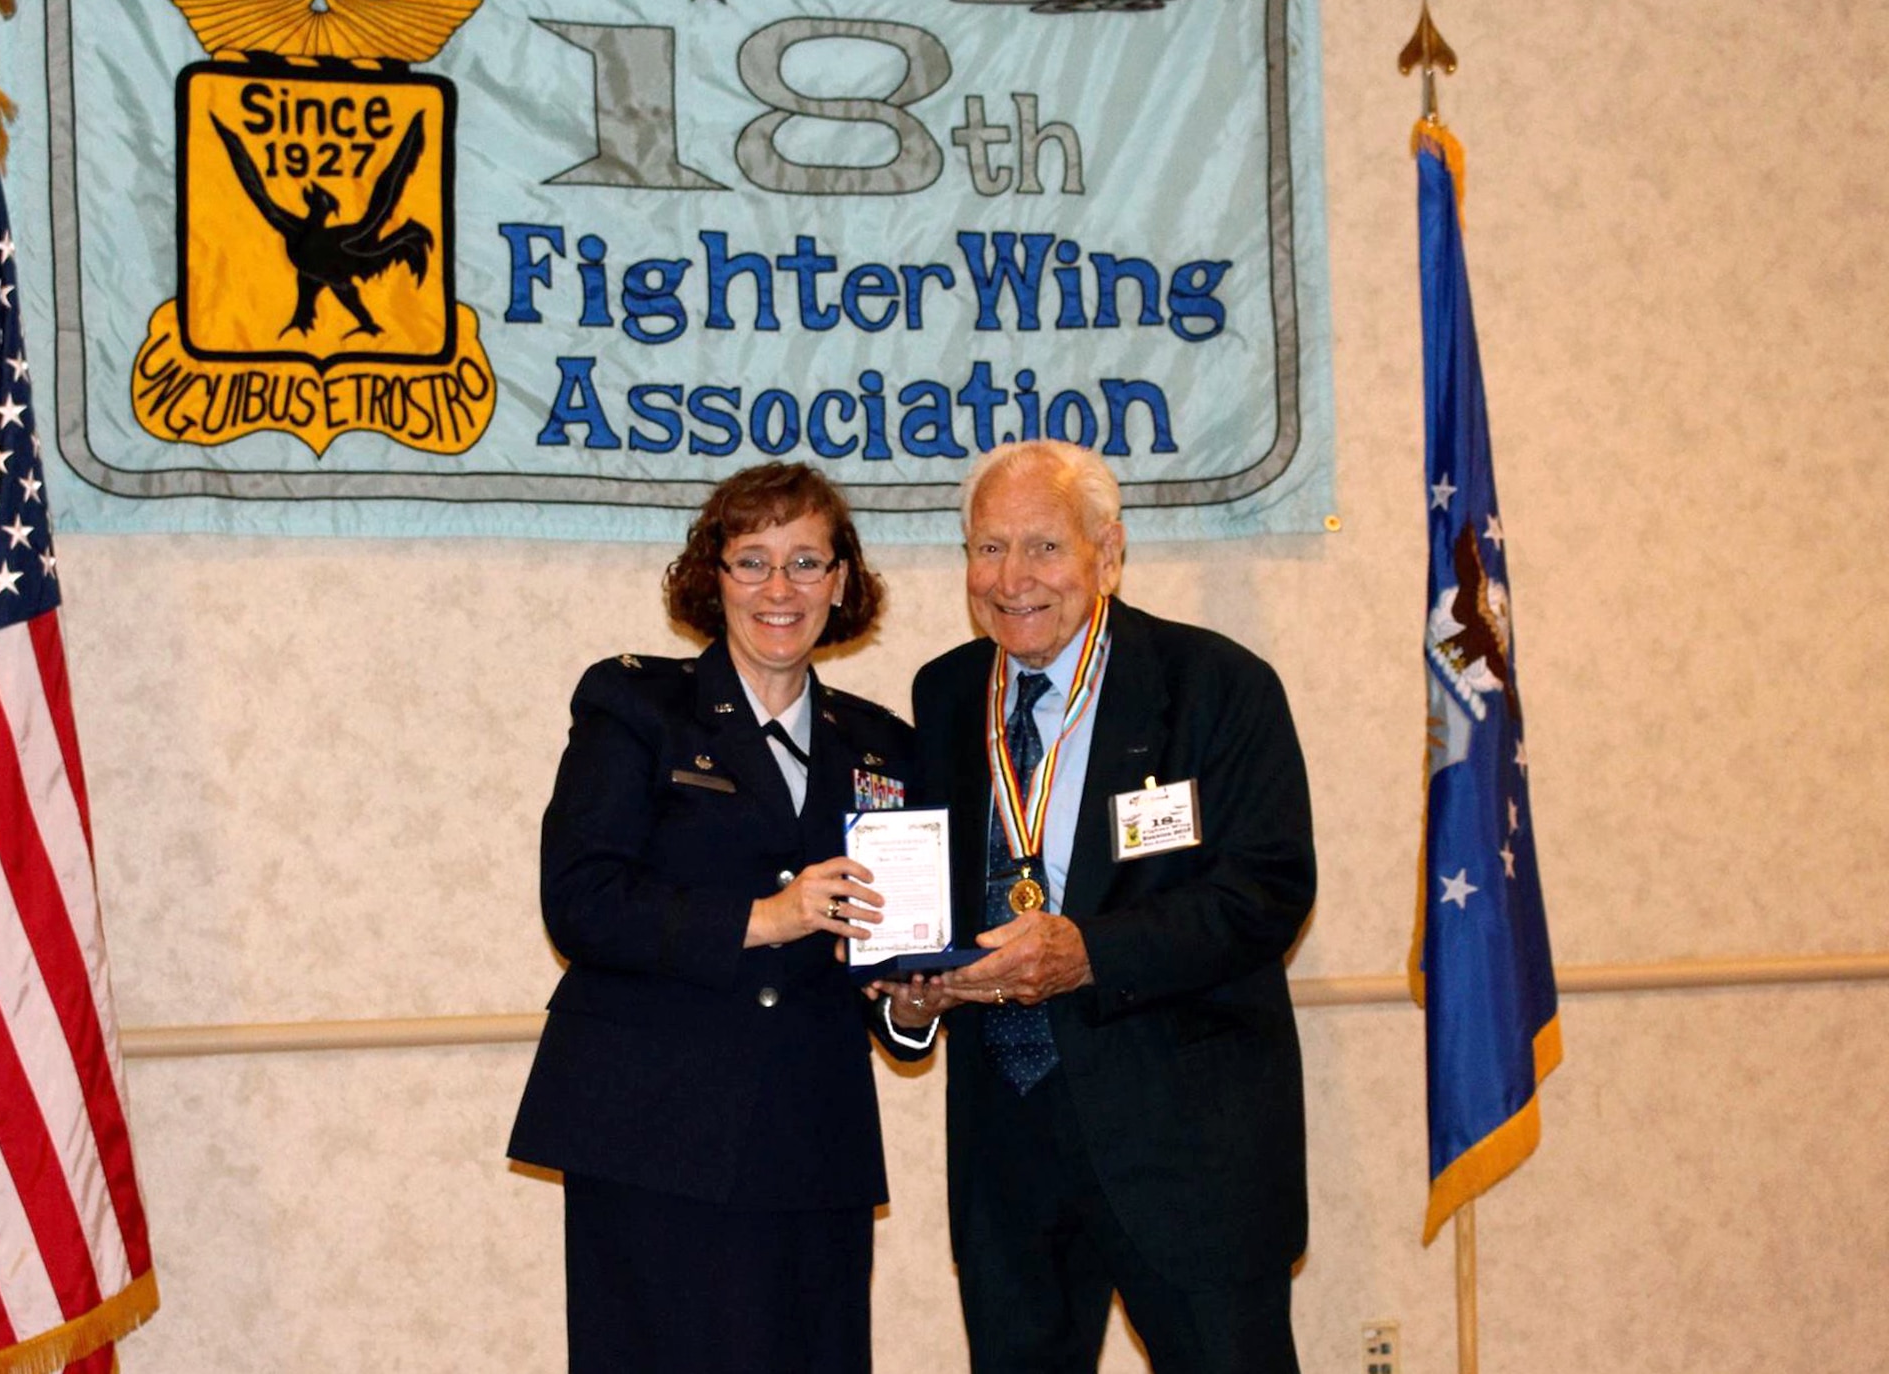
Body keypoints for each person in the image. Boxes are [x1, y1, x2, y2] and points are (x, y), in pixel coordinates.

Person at [873, 441, 1316, 1373]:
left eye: (1043, 548)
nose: (1011, 579)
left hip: (1186, 1143)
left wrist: (1090, 953)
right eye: (987, 550)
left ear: (1106, 555)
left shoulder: (1216, 686)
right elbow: (938, 902)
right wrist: (909, 1003)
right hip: (1008, 1146)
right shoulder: (947, 693)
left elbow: (1267, 891)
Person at [509, 463, 914, 1374]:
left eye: (807, 562)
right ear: (713, 576)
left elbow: (888, 952)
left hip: (815, 1137)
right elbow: (580, 902)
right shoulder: (636, 706)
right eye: (752, 560)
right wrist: (764, 918)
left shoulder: (887, 744)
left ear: (841, 582)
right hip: (654, 1127)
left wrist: (911, 1006)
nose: (781, 589)